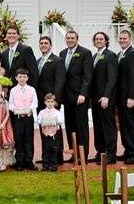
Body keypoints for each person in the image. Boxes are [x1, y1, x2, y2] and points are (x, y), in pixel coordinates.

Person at [59, 29, 93, 162]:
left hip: (79, 97)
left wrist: (83, 93)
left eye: (72, 38)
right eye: (68, 38)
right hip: (67, 97)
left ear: (77, 39)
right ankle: (74, 153)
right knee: (70, 126)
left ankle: (83, 155)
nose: (70, 40)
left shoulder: (85, 53)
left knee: (81, 127)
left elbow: (87, 76)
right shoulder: (62, 53)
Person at [36, 36, 64, 166]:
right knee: (44, 129)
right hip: (41, 102)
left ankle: (57, 157)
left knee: (55, 130)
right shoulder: (37, 61)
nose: (43, 45)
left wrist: (55, 100)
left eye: (46, 43)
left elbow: (59, 81)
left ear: (50, 45)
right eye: (41, 43)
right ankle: (46, 157)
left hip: (52, 101)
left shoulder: (57, 60)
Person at [90, 31, 118, 164]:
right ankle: (100, 152)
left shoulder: (110, 55)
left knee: (108, 127)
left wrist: (106, 96)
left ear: (106, 41)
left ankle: (110, 154)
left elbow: (112, 78)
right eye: (96, 39)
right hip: (95, 99)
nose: (98, 41)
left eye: (101, 39)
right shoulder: (94, 56)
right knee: (98, 127)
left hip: (106, 99)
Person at [115, 30, 134, 164]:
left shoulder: (133, 54)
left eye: (125, 38)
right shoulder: (120, 54)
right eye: (120, 38)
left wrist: (131, 96)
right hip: (120, 98)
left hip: (129, 98)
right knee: (124, 125)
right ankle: (128, 151)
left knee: (130, 125)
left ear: (130, 39)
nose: (122, 40)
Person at [9, 68, 38, 171]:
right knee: (19, 139)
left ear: (27, 78)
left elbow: (35, 102)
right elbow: (11, 104)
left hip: (28, 117)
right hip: (18, 118)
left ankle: (29, 161)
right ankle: (19, 162)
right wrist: (17, 111)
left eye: (24, 76)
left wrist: (28, 110)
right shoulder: (13, 90)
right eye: (20, 76)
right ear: (16, 78)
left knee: (29, 139)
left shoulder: (31, 89)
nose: (22, 79)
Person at [36, 93, 64, 172]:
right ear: (45, 102)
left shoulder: (57, 112)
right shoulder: (42, 112)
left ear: (54, 102)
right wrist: (43, 121)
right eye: (48, 102)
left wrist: (54, 121)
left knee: (54, 150)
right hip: (45, 134)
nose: (50, 103)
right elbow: (38, 121)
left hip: (54, 134)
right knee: (46, 150)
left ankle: (54, 165)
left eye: (52, 102)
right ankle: (45, 165)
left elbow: (60, 121)